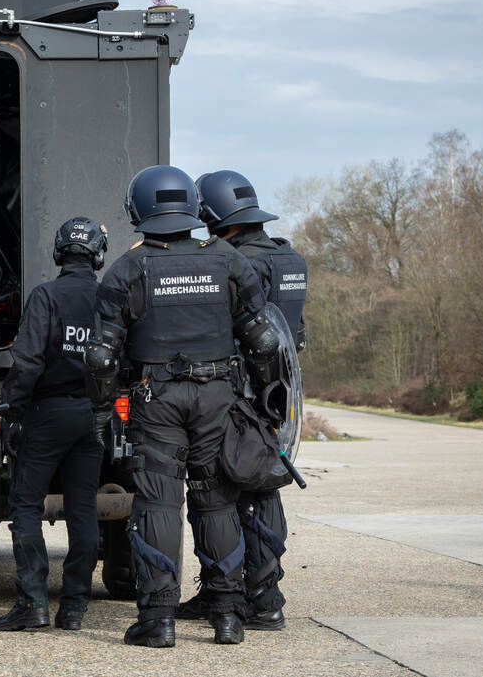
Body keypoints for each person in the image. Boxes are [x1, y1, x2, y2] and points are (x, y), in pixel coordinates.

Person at [84, 165, 277, 648]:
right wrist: (266, 401)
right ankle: (228, 614)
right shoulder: (229, 259)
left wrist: (103, 411)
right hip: (218, 395)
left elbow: (102, 356)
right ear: (191, 206)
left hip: (157, 398)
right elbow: (266, 341)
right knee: (216, 501)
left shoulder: (129, 268)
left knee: (158, 502)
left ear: (139, 210)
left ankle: (158, 619)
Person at [174, 169, 308, 631]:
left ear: (211, 215)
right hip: (280, 393)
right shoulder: (291, 258)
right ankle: (266, 596)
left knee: (218, 498)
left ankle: (229, 595)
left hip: (238, 392)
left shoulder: (233, 261)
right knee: (265, 486)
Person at [0, 217, 109, 633]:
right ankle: (75, 606)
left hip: (48, 414)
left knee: (26, 505)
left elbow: (27, 363)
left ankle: (32, 604)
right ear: (98, 254)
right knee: (83, 511)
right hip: (93, 416)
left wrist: (13, 412)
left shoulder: (45, 296)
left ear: (60, 252)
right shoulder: (107, 299)